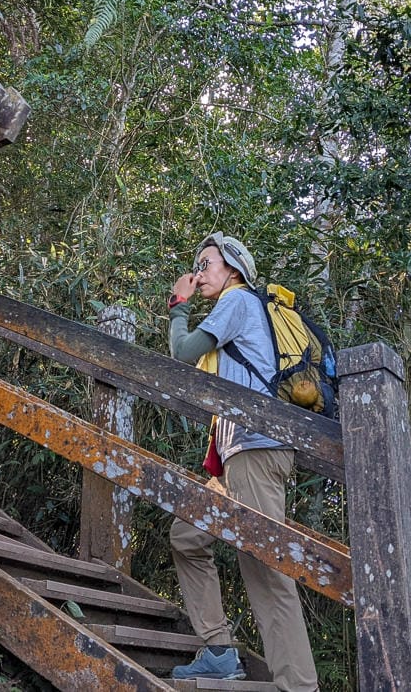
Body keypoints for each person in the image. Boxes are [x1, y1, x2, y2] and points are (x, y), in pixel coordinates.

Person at [166, 232, 319, 691]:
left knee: (265, 565)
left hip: (256, 450)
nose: (199, 272)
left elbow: (182, 352)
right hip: (238, 457)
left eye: (206, 263)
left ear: (233, 268)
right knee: (187, 535)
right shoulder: (236, 309)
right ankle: (217, 650)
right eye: (197, 265)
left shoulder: (238, 301)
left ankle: (298, 685)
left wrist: (178, 303)